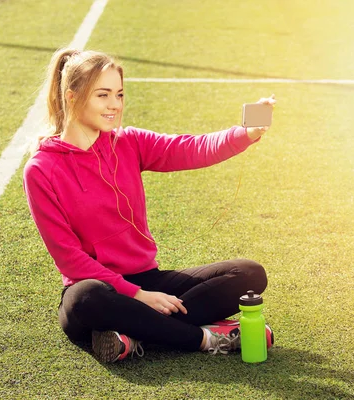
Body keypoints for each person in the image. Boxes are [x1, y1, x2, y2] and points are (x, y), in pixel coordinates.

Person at [23, 48, 276, 362]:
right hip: (98, 289)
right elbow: (70, 259)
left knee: (248, 274)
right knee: (86, 299)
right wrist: (138, 296)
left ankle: (131, 336)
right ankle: (206, 338)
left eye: (119, 94)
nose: (114, 104)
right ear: (72, 97)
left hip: (148, 277)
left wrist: (245, 134)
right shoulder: (41, 169)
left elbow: (189, 149)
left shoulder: (128, 142)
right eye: (102, 95)